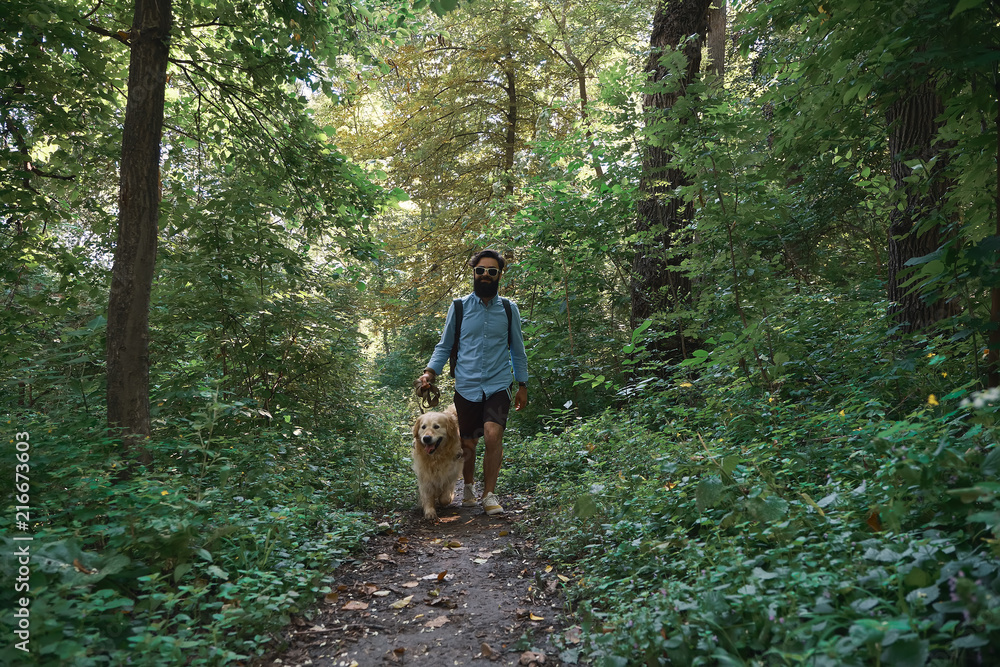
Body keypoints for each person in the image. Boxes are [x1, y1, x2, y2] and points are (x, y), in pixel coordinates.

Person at [417, 249, 528, 516]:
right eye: (481, 270)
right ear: (474, 273)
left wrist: (522, 384)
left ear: (500, 274)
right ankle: (468, 487)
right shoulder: (459, 307)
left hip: (498, 383)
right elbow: (444, 346)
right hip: (466, 384)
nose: (486, 275)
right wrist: (430, 372)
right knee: (467, 442)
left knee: (492, 434)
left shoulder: (508, 309)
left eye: (492, 271)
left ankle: (489, 495)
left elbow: (517, 349)